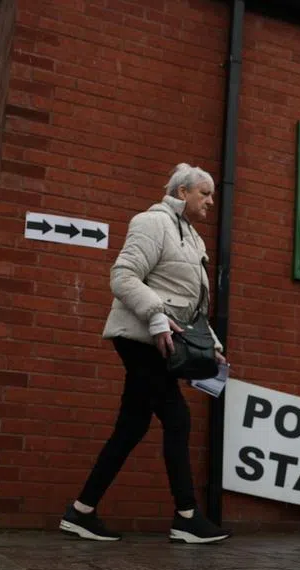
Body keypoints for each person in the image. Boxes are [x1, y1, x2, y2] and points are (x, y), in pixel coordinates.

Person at [59, 163, 230, 544]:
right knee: (178, 417)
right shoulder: (152, 223)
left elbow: (193, 306)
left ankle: (81, 511)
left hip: (164, 341)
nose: (211, 201)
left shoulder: (194, 239)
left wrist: (212, 345)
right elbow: (123, 276)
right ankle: (186, 516)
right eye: (205, 193)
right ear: (183, 192)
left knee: (132, 426)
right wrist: (155, 317)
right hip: (141, 338)